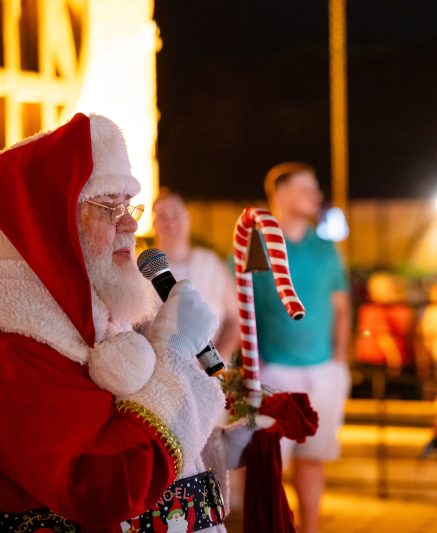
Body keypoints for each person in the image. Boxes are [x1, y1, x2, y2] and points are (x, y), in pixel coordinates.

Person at [0, 113, 256, 531]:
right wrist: (171, 351)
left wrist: (229, 440)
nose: (132, 223)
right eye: (109, 206)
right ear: (52, 219)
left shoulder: (103, 320)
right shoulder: (15, 344)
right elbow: (102, 485)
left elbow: (160, 453)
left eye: (128, 204)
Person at [253, 162, 351, 533]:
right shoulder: (255, 244)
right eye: (307, 188)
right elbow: (238, 301)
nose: (317, 195)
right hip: (275, 369)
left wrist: (340, 361)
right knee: (271, 465)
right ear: (281, 194)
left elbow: (341, 307)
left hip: (323, 369)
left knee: (313, 459)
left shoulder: (326, 249)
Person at [152, 189, 240, 361]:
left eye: (175, 214)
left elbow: (234, 319)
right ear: (153, 224)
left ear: (188, 219)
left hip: (210, 371)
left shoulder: (212, 264)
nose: (170, 222)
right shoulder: (145, 268)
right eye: (162, 216)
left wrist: (218, 361)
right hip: (158, 371)